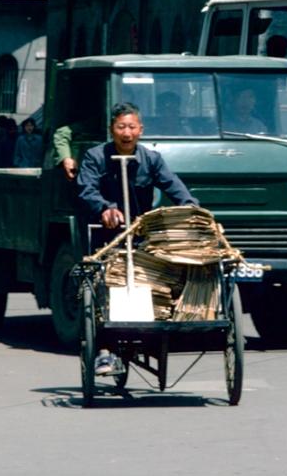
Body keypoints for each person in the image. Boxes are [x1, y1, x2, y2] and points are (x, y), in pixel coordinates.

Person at [77, 102, 198, 375]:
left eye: (132, 127)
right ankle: (104, 350)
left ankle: (153, 333)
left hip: (142, 236)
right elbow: (86, 190)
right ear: (112, 130)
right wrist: (105, 208)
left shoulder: (151, 159)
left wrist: (191, 208)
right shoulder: (95, 157)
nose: (127, 133)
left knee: (162, 279)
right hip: (106, 237)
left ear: (140, 130)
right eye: (121, 127)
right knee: (105, 288)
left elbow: (174, 186)